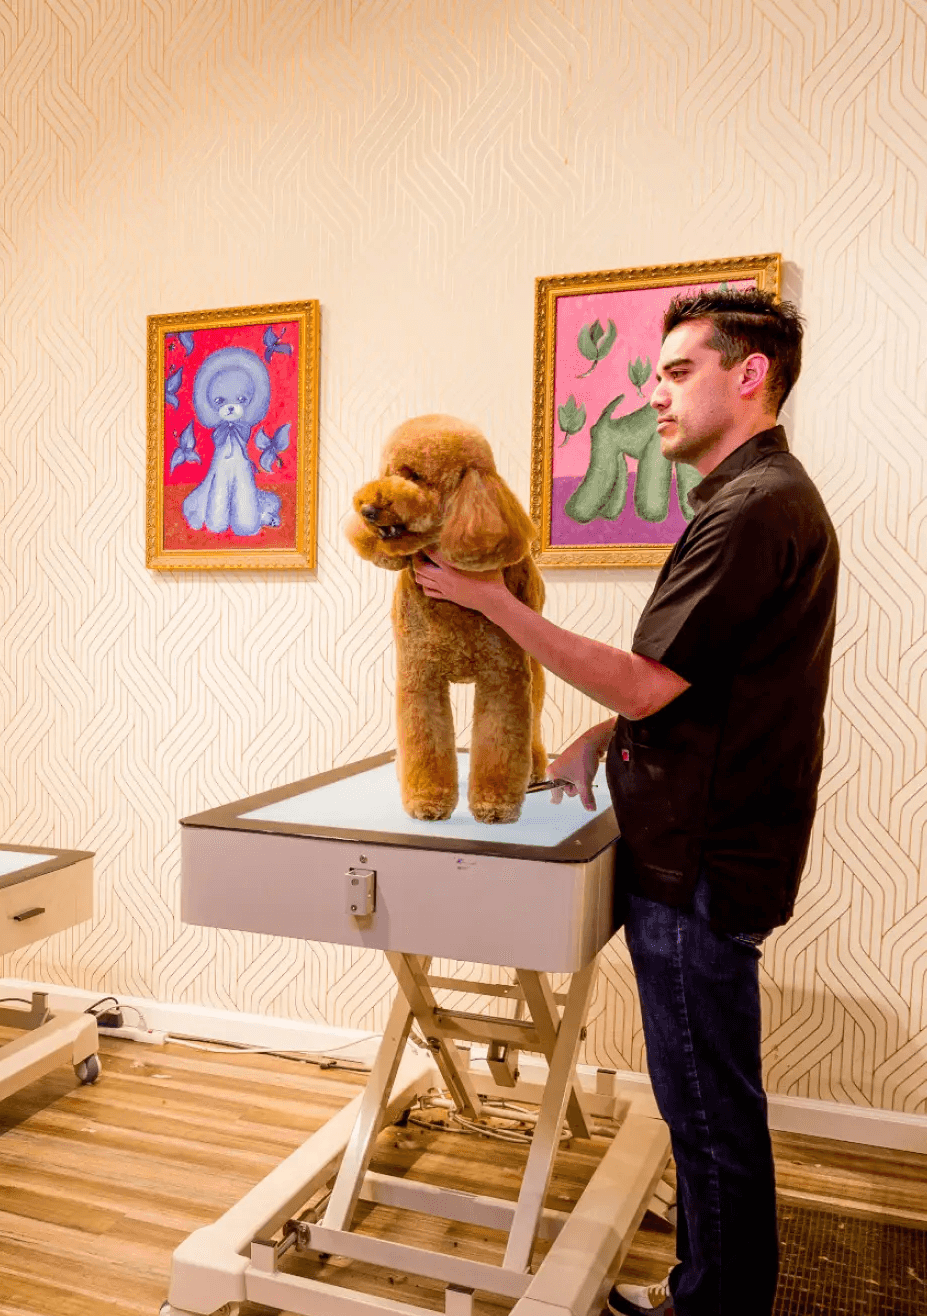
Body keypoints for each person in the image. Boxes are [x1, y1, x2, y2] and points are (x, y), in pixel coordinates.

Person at [412, 288, 837, 1316]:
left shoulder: (751, 508)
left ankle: (715, 1303)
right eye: (653, 374)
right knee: (706, 1099)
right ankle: (708, 1285)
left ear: (750, 375)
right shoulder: (761, 498)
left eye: (679, 371)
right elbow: (698, 684)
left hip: (699, 858)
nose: (655, 394)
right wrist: (610, 734)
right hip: (714, 837)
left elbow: (649, 677)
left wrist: (489, 601)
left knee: (704, 1104)